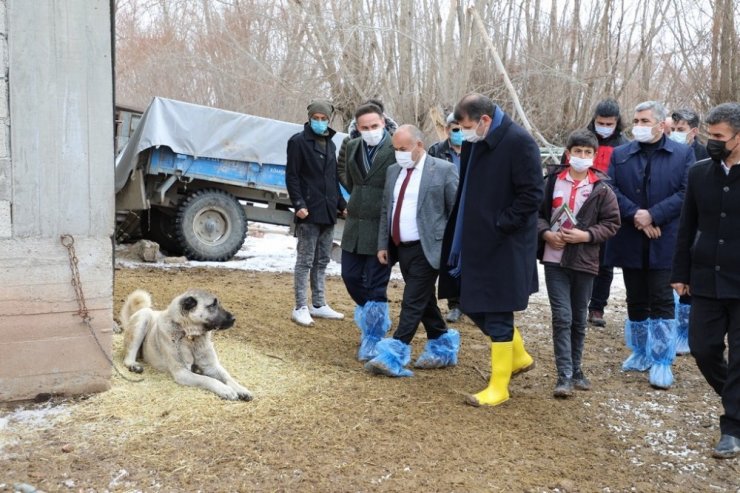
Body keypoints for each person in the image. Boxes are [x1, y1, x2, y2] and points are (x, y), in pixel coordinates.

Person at [438, 93, 544, 407]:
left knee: (497, 311)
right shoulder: (476, 140)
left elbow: (532, 194)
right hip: (473, 239)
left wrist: (500, 224)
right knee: (469, 300)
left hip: (504, 244)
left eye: (467, 126)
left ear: (485, 120)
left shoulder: (519, 142)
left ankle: (499, 386)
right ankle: (519, 355)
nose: (463, 133)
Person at [604, 100, 694, 389]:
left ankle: (662, 359)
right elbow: (610, 188)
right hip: (631, 235)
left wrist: (654, 215)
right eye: (636, 120)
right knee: (636, 296)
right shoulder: (621, 154)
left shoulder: (682, 153)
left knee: (662, 297)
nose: (639, 126)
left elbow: (686, 192)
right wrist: (638, 217)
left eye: (644, 121)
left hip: (666, 237)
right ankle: (640, 351)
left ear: (660, 123)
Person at [671, 102, 740, 459]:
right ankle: (736, 400)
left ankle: (732, 428)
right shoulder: (699, 173)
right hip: (705, 279)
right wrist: (680, 273)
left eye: (718, 136)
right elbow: (686, 227)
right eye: (710, 135)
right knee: (703, 348)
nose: (712, 142)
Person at [364, 125, 460, 377]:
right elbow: (387, 209)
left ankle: (393, 353)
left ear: (419, 145)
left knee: (412, 300)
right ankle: (443, 346)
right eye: (395, 149)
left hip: (429, 248)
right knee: (424, 300)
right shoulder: (393, 171)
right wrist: (383, 245)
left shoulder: (443, 170)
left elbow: (455, 213)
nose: (399, 154)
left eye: (403, 149)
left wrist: (452, 249)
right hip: (400, 247)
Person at [538, 129, 621, 397]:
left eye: (587, 153)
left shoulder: (601, 189)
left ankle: (576, 368)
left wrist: (586, 235)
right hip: (554, 260)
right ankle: (563, 375)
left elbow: (612, 224)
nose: (582, 157)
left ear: (595, 157)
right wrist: (546, 233)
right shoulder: (551, 181)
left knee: (578, 318)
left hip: (585, 261)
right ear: (568, 153)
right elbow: (536, 214)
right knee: (562, 317)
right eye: (577, 152)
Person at [338, 102, 397, 361]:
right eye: (365, 127)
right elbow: (349, 179)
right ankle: (376, 318)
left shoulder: (395, 147)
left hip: (381, 228)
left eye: (375, 126)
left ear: (383, 122)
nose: (371, 131)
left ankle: (373, 338)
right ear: (358, 128)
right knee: (350, 276)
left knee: (376, 285)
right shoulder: (352, 147)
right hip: (355, 227)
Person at [285, 100, 347, 326]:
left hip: (328, 211)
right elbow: (292, 176)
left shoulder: (331, 144)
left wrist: (342, 204)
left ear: (329, 120)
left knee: (322, 260)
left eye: (324, 118)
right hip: (308, 211)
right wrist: (299, 204)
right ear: (310, 118)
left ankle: (318, 304)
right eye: (316, 118)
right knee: (305, 261)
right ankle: (300, 306)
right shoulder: (298, 142)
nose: (320, 122)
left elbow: (332, 179)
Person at [577, 99, 630, 328]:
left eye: (609, 123)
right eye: (601, 122)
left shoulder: (624, 145)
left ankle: (597, 306)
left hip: (609, 206)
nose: (604, 126)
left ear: (617, 122)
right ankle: (577, 303)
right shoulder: (583, 139)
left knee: (604, 262)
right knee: (578, 257)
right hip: (581, 202)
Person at [669, 107, 708, 355]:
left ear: (693, 131)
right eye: (672, 129)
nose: (674, 134)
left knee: (690, 279)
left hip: (697, 224)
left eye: (680, 130)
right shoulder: (667, 152)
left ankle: (686, 331)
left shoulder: (704, 155)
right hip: (670, 222)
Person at [428, 112, 464, 323]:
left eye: (462, 128)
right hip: (445, 212)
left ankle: (472, 301)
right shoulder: (437, 151)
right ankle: (455, 303)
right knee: (449, 259)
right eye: (455, 129)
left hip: (470, 210)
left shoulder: (475, 150)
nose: (459, 133)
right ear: (448, 129)